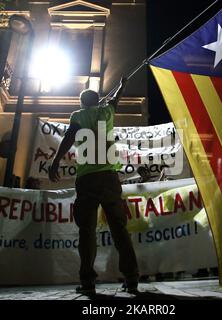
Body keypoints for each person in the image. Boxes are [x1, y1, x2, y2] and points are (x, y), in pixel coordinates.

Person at [49, 77, 139, 295]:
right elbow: (116, 99)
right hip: (109, 177)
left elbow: (70, 136)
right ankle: (131, 277)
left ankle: (88, 281)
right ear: (97, 101)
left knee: (87, 231)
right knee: (119, 228)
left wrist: (56, 160)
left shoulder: (78, 115)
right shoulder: (107, 112)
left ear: (82, 103)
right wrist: (122, 85)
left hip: (88, 178)